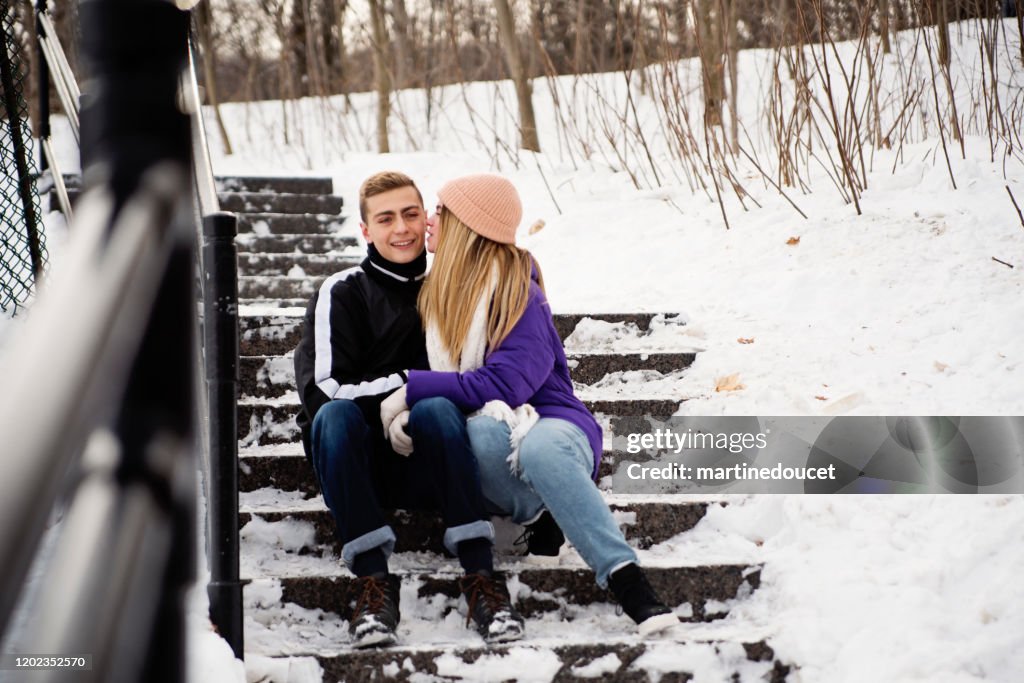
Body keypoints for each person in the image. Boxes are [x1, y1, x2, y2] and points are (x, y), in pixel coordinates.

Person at [379, 173, 680, 637]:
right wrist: (410, 410)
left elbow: (507, 383)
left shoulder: (521, 293)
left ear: (468, 225)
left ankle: (630, 584)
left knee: (538, 449)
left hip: (555, 425)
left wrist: (410, 391)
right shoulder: (438, 296)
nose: (430, 219)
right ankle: (538, 515)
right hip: (494, 433)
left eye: (441, 209)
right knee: (475, 434)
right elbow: (454, 385)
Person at [293, 171, 524, 648]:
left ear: (427, 220)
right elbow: (324, 391)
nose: (401, 228)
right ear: (366, 230)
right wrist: (406, 387)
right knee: (334, 418)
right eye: (385, 218)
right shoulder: (341, 291)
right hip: (357, 466)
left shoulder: (454, 288)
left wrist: (420, 399)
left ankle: (482, 579)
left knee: (438, 406)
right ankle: (373, 585)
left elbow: (479, 376)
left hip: (439, 457)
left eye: (410, 214)